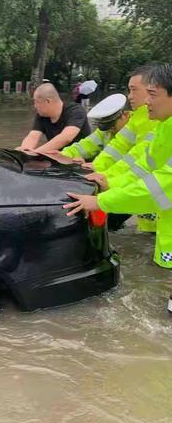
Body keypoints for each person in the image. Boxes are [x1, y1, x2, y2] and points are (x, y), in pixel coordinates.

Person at [64, 63, 172, 272]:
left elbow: (160, 185)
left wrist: (101, 201)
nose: (145, 101)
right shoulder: (164, 127)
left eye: (153, 94)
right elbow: (141, 167)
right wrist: (108, 182)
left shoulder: (158, 125)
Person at [83, 66, 160, 232]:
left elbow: (140, 160)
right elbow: (119, 149)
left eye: (134, 90)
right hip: (141, 193)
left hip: (146, 193)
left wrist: (107, 184)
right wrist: (98, 170)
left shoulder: (159, 123)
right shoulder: (140, 117)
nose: (130, 96)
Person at [19, 83, 90, 153]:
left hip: (81, 159)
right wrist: (24, 151)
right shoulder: (42, 115)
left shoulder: (76, 111)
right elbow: (33, 136)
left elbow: (66, 137)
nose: (34, 105)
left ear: (48, 101)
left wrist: (36, 152)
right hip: (57, 156)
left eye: (36, 102)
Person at [60, 93, 128, 162]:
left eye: (112, 125)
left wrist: (95, 165)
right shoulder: (105, 132)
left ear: (125, 115)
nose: (110, 129)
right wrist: (64, 155)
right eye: (106, 126)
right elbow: (86, 145)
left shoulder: (135, 131)